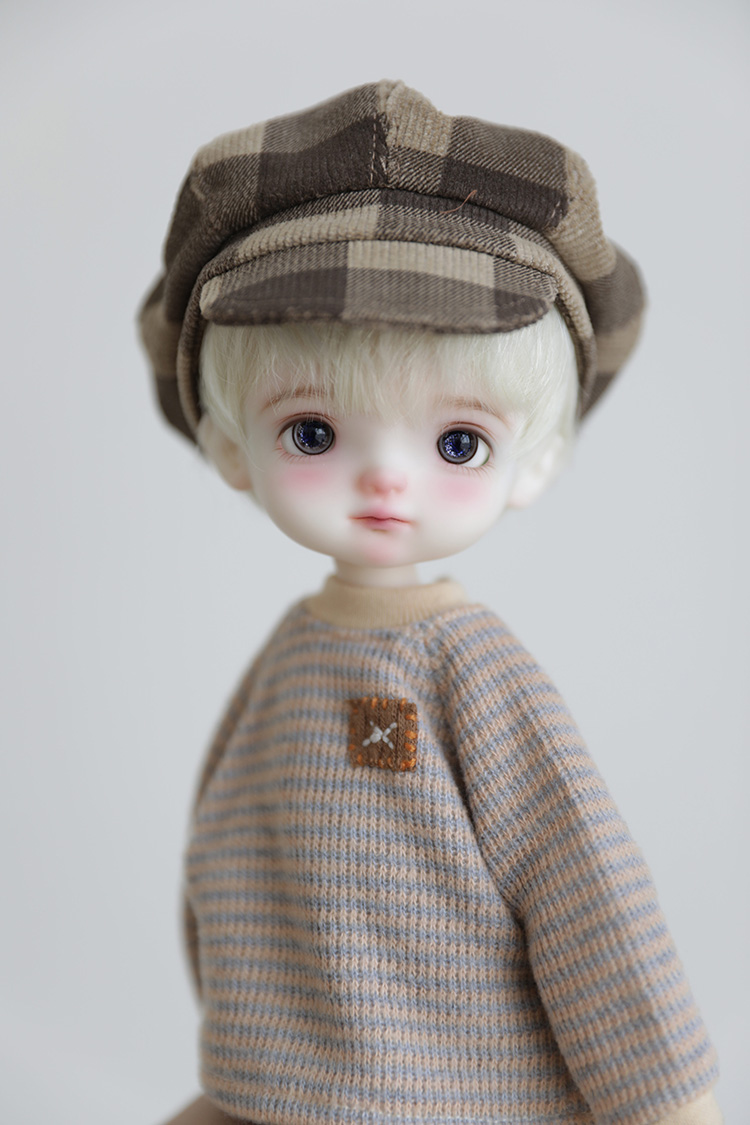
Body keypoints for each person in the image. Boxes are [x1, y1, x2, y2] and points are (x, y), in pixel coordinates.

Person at [140, 81, 721, 1125]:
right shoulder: (289, 661)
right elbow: (220, 863)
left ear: (531, 463)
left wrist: (662, 1098)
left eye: (458, 442)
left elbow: (585, 889)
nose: (386, 480)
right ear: (231, 448)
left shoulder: (472, 671)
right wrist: (246, 1071)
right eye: (313, 433)